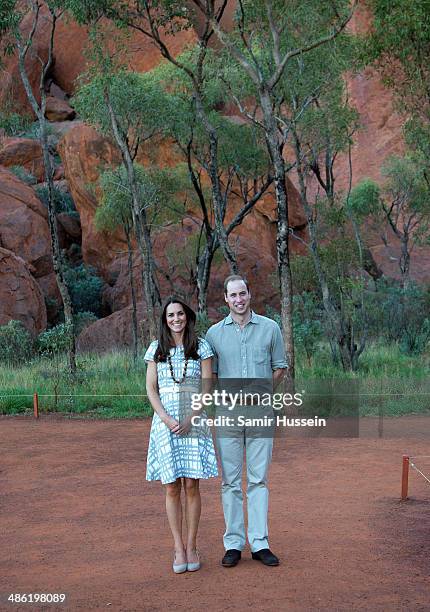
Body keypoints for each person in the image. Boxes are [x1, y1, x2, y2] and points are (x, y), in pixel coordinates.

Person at [205, 275, 288, 567]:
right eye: (233, 295)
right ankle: (233, 544)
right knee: (230, 482)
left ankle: (260, 543)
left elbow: (280, 367)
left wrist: (260, 391)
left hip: (261, 415)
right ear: (226, 300)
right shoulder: (214, 334)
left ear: (249, 295)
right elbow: (210, 375)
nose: (238, 300)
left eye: (243, 294)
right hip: (227, 416)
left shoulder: (270, 328)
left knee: (258, 479)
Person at [145, 297, 218, 573]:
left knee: (192, 485)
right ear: (165, 320)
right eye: (170, 315)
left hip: (194, 421)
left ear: (187, 316)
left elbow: (208, 386)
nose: (176, 319)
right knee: (172, 485)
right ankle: (177, 548)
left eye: (180, 314)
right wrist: (165, 418)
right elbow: (151, 389)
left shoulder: (201, 346)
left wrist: (191, 417)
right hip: (165, 424)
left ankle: (192, 546)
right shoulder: (156, 349)